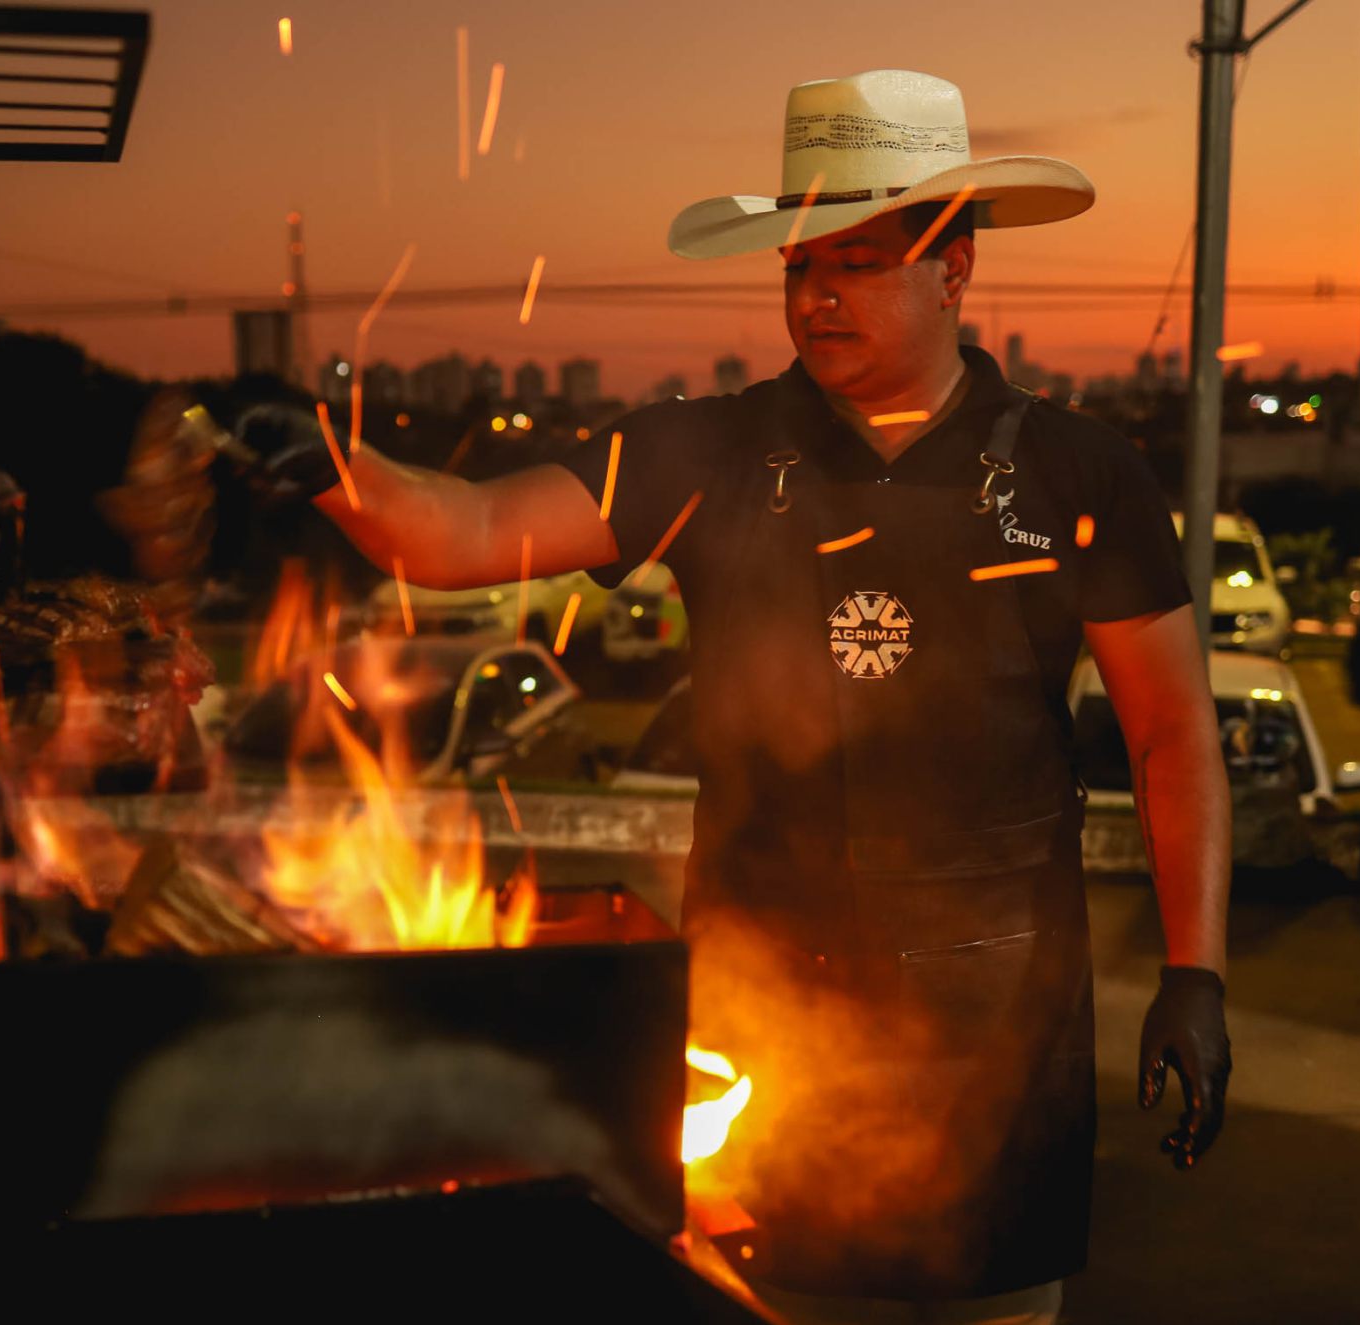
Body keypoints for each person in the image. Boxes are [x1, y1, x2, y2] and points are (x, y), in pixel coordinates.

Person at [110, 69, 1232, 1325]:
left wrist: (1194, 971)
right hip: (769, 1014)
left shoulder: (1080, 471)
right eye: (798, 265)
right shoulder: (705, 450)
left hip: (1000, 1022)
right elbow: (462, 529)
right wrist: (333, 463)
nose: (815, 295)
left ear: (952, 267)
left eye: (857, 262)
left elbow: (1168, 731)